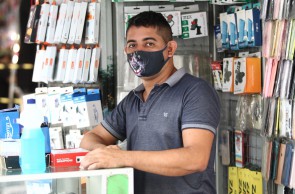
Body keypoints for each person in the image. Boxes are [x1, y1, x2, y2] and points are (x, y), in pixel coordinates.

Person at [80, 11, 221, 194]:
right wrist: (105, 153)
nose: (139, 51)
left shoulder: (195, 91)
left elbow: (196, 158)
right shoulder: (133, 100)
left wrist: (122, 157)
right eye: (132, 45)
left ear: (170, 49)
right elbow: (89, 139)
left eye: (149, 43)